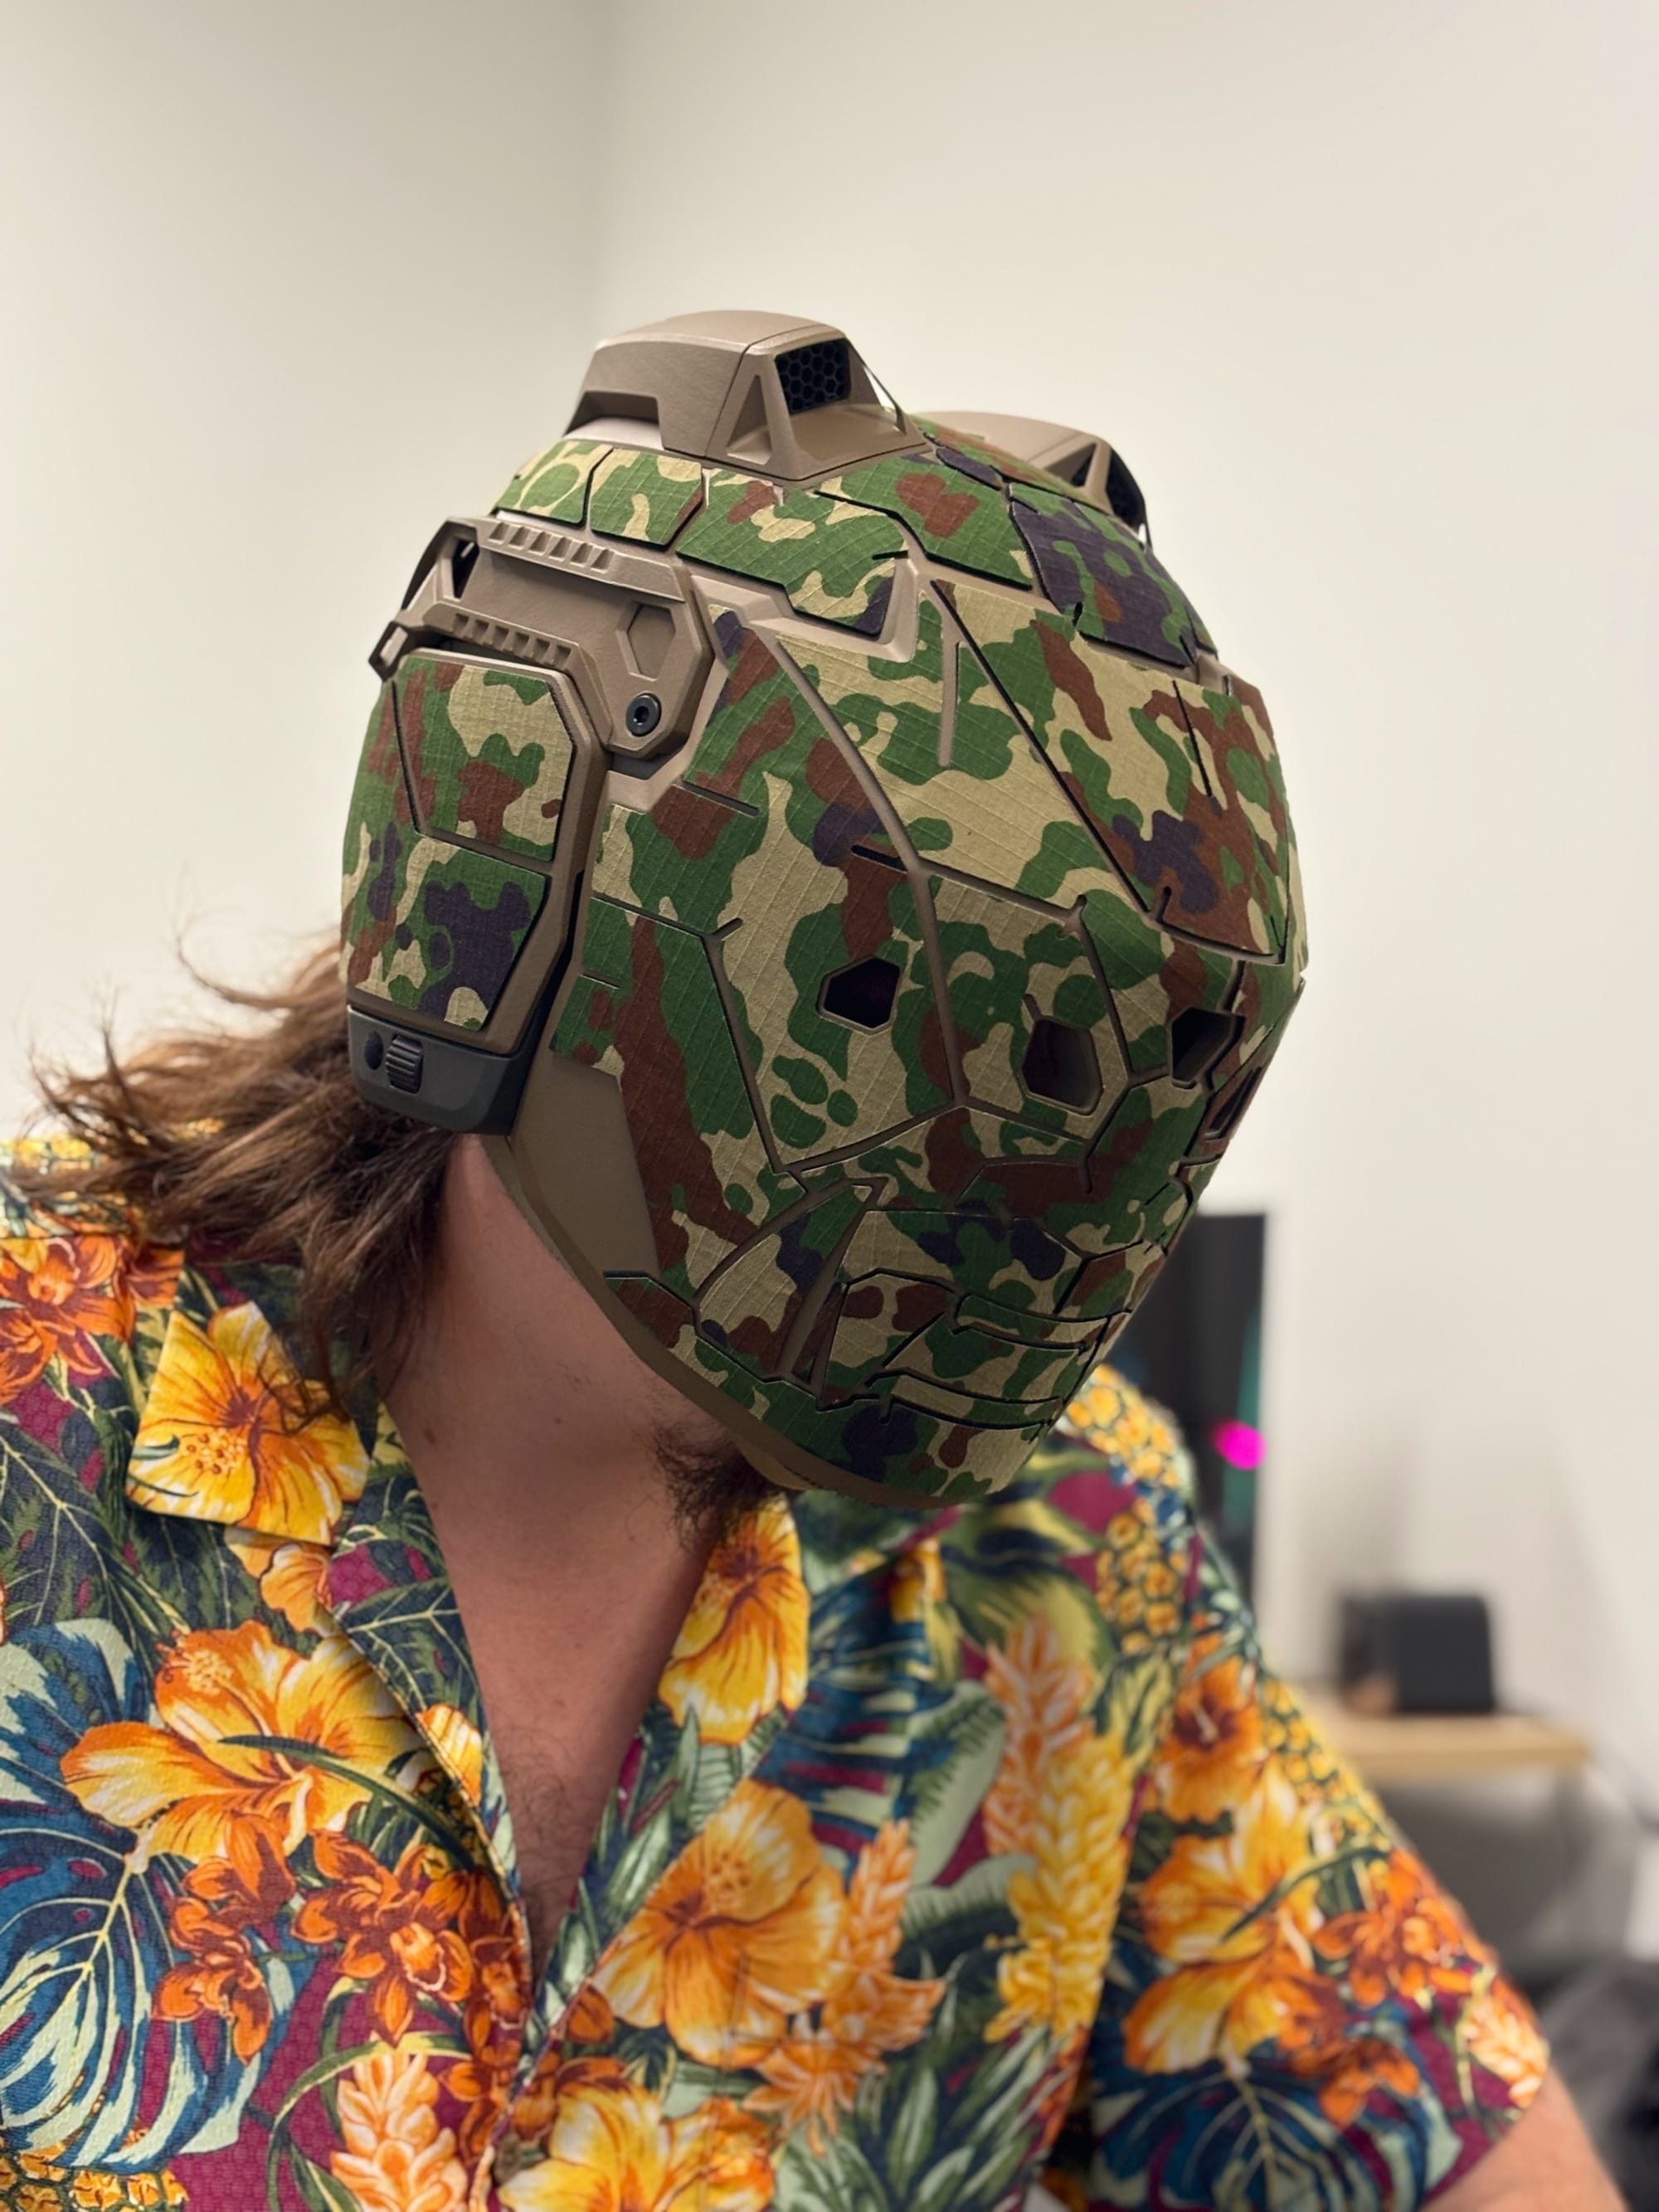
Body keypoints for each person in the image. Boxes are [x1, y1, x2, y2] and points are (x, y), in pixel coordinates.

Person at [0, 314, 1618, 2210]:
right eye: (884, 1006)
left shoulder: (1057, 1545)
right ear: (497, 869)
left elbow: (1449, 2136)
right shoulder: (45, 1405)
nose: (1006, 1178)